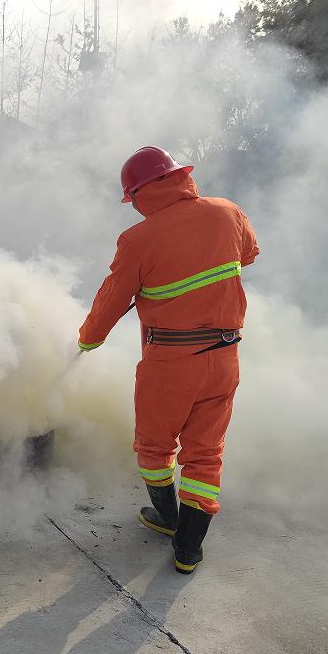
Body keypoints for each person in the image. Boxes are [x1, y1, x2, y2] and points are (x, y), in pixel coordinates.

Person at [78, 146, 259, 573]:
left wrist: (88, 340)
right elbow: (247, 254)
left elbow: (110, 301)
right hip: (225, 355)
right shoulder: (227, 211)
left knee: (155, 447)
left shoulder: (138, 239)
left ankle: (166, 516)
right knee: (206, 451)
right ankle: (189, 549)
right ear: (180, 177)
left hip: (171, 363)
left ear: (143, 192)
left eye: (133, 198)